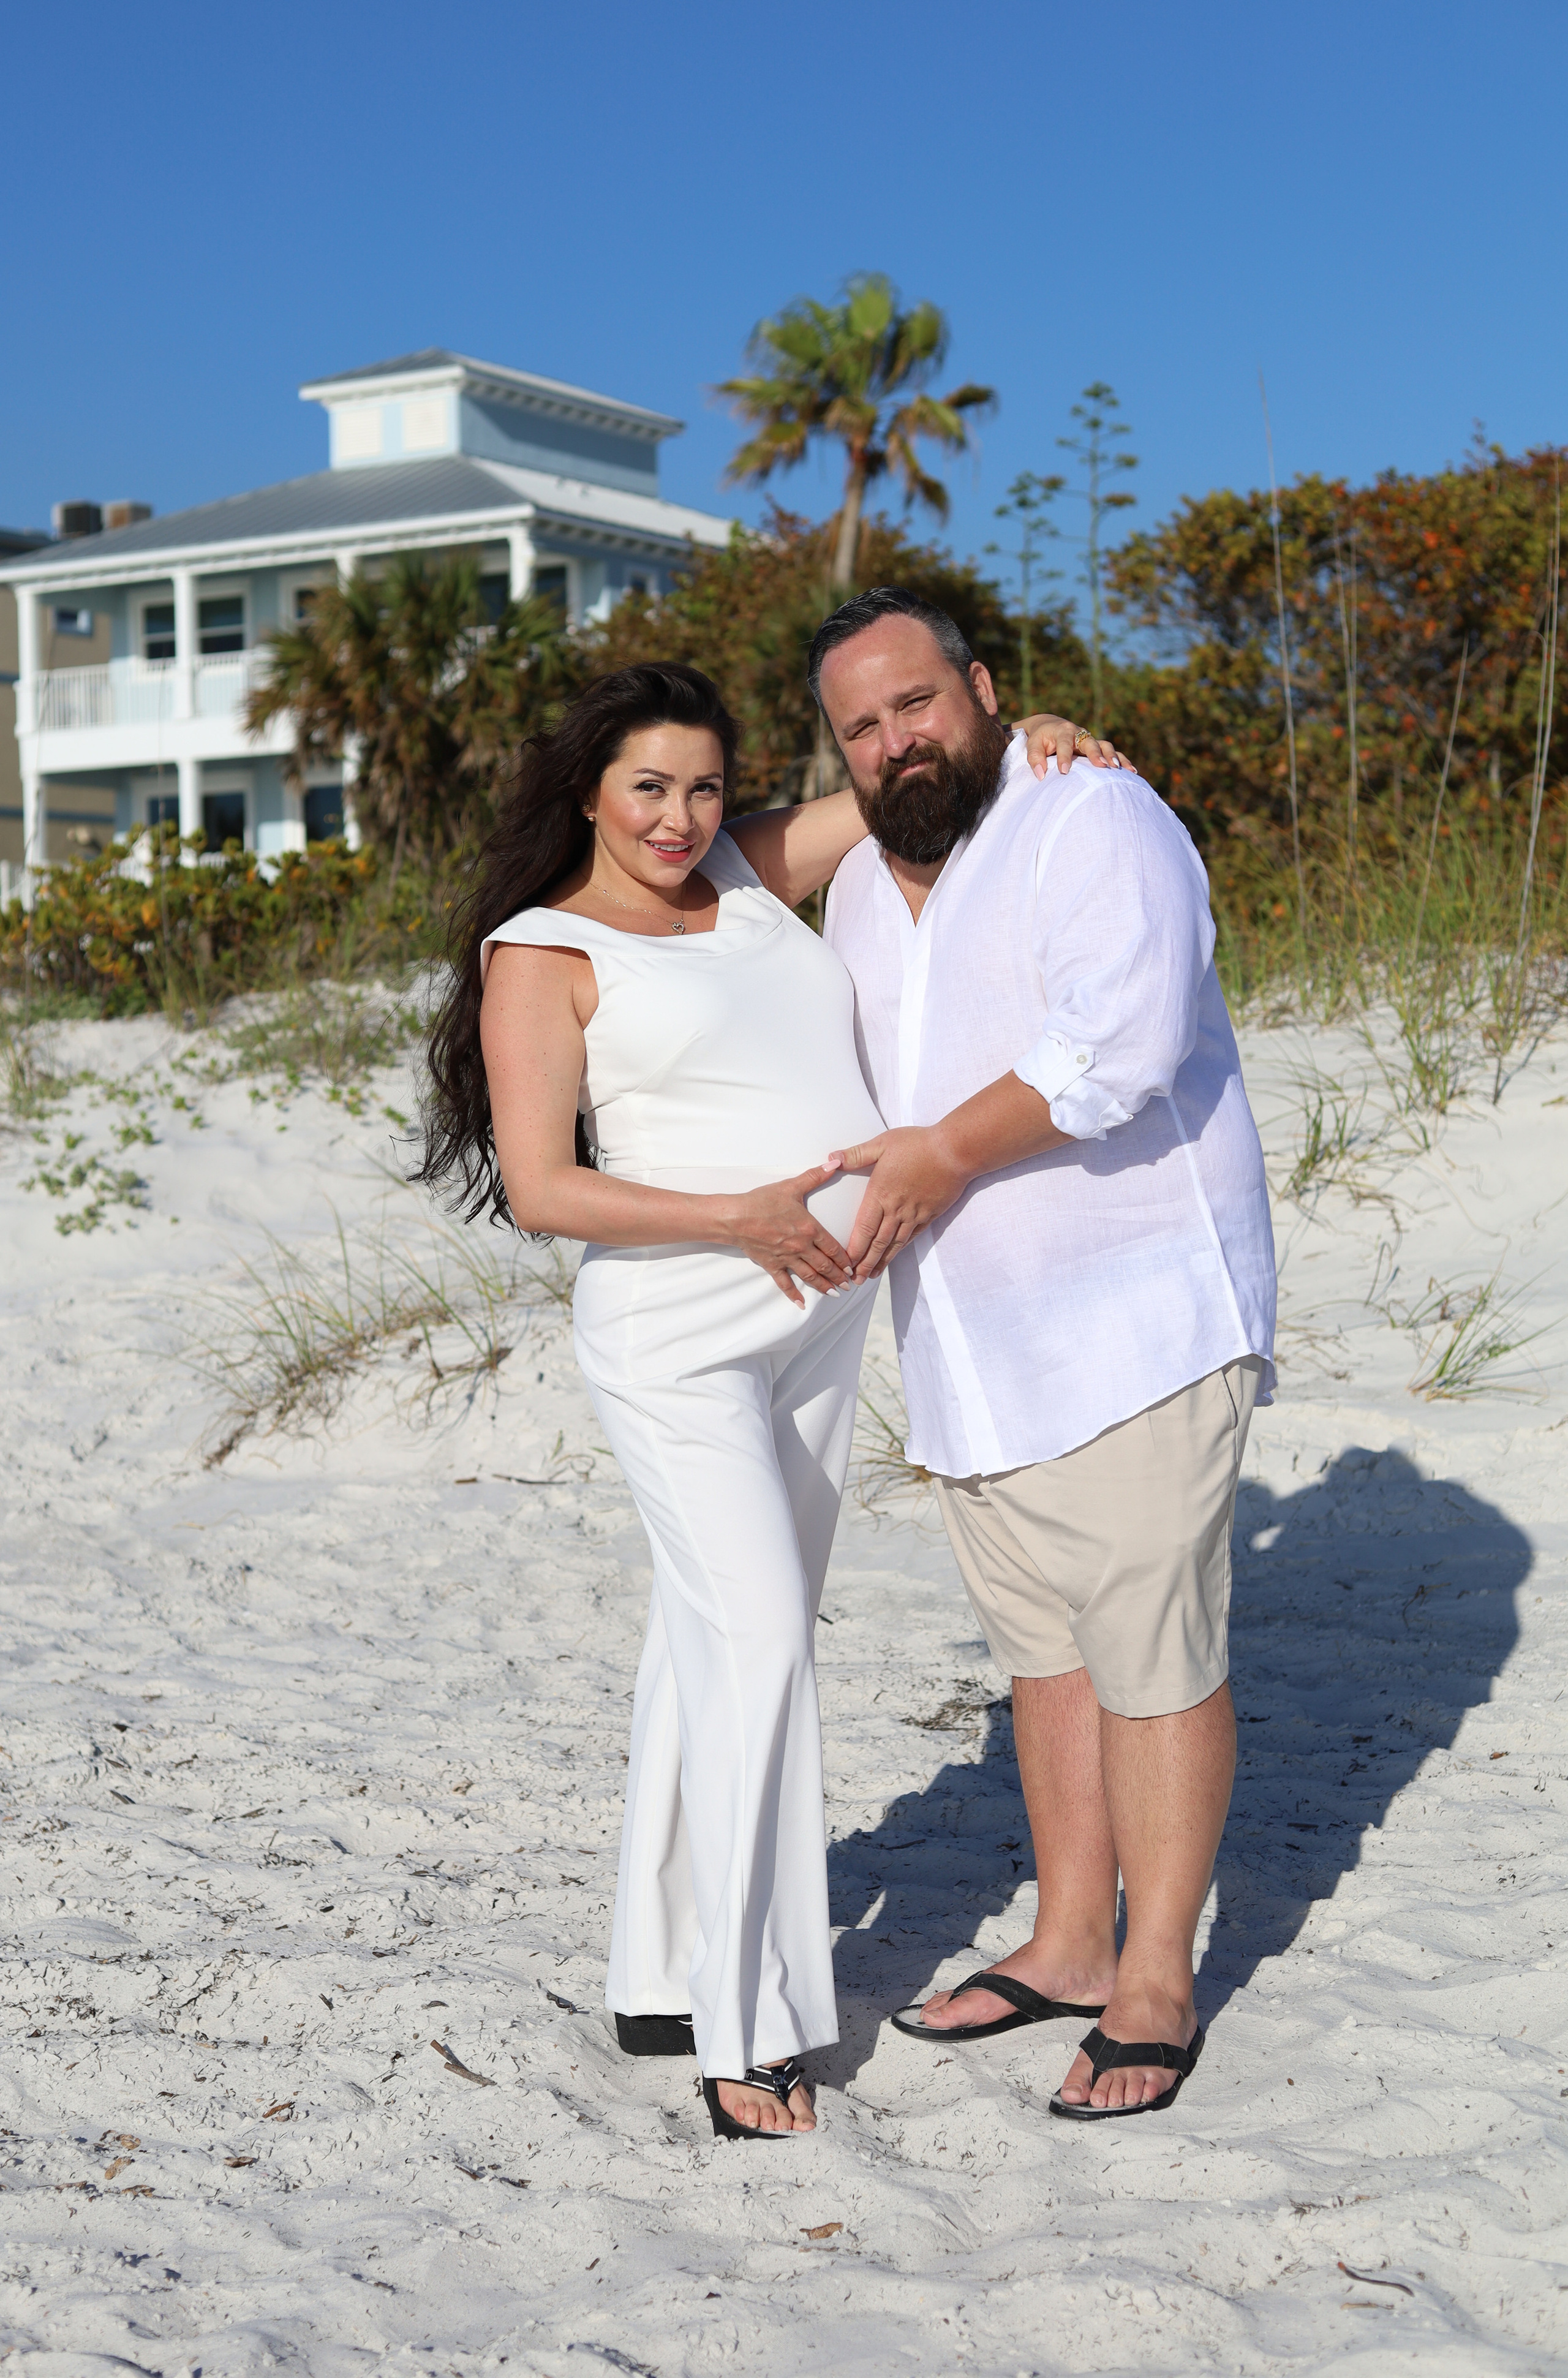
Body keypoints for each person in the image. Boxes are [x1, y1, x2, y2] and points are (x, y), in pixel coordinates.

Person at [417, 663, 1111, 2140]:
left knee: (715, 1639)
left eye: (706, 786)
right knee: (760, 1658)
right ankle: (748, 2024)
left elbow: (901, 785)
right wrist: (734, 1218)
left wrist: (1028, 731)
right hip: (680, 1332)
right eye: (648, 789)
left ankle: (655, 1971)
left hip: (818, 1316)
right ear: (589, 793)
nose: (680, 818)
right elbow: (544, 1189)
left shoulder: (739, 873)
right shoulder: (541, 952)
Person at [811, 588, 1277, 2121]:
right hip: (970, 1346)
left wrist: (942, 1151)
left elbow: (1121, 1043)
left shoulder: (1092, 812)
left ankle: (1154, 1974)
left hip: (1130, 1318)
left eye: (918, 704)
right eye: (863, 726)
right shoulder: (859, 890)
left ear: (986, 691)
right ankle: (1072, 1940)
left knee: (1151, 1656)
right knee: (1045, 1659)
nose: (898, 740)